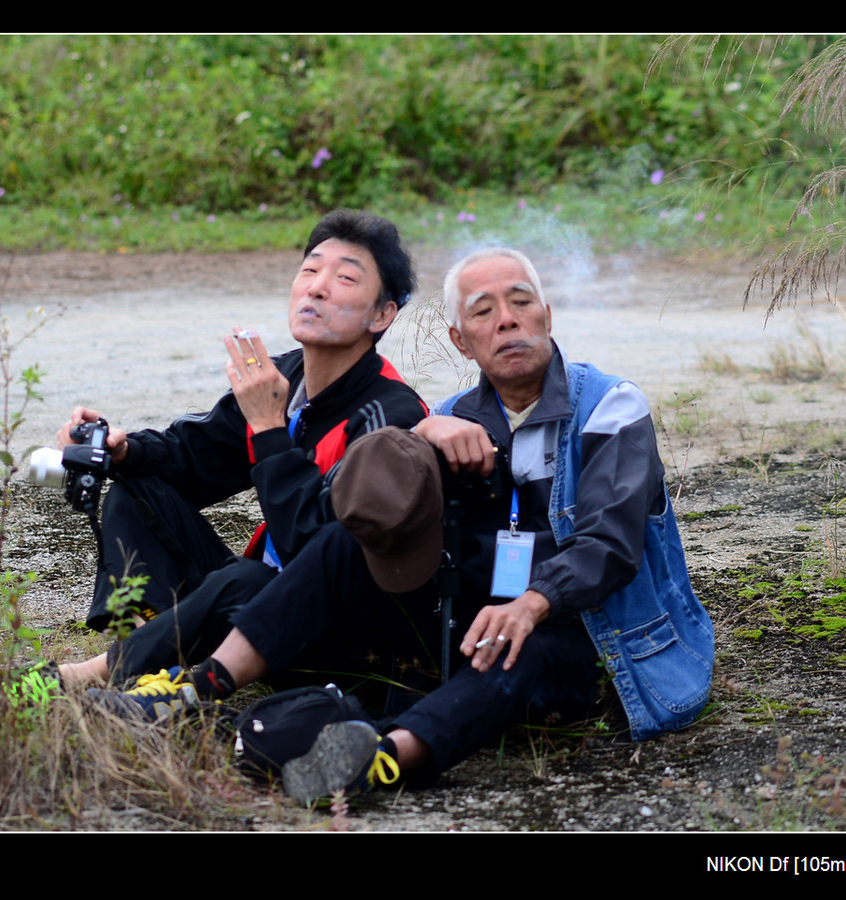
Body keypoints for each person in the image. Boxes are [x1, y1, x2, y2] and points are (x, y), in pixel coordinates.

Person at [90, 247, 714, 801]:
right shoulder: (450, 417)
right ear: (460, 341)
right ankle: (195, 688)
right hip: (464, 624)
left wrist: (530, 603)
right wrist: (421, 433)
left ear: (547, 317)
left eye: (521, 303)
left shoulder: (609, 405)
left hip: (592, 638)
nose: (507, 319)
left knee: (515, 647)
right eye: (483, 311)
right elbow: (370, 524)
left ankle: (384, 758)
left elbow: (611, 545)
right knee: (340, 546)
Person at [56, 210, 427, 688]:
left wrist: (269, 428)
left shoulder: (392, 416)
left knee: (248, 582)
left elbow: (315, 551)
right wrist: (121, 450)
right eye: (310, 270)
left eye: (345, 278)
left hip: (334, 631)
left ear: (382, 314)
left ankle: (93, 674)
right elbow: (193, 460)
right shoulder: (285, 377)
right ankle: (154, 658)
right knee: (140, 489)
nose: (316, 288)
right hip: (256, 599)